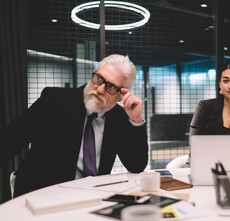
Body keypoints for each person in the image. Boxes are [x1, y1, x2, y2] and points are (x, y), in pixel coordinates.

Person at [0, 54, 148, 197]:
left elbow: (136, 166)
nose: (100, 89)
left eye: (110, 87)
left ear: (120, 95)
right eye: (99, 78)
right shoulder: (54, 101)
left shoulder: (119, 117)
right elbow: (10, 141)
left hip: (93, 199)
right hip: (44, 196)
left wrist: (136, 121)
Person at [182, 60, 230, 167]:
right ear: (220, 84)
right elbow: (195, 147)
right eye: (226, 81)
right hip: (201, 167)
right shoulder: (205, 107)